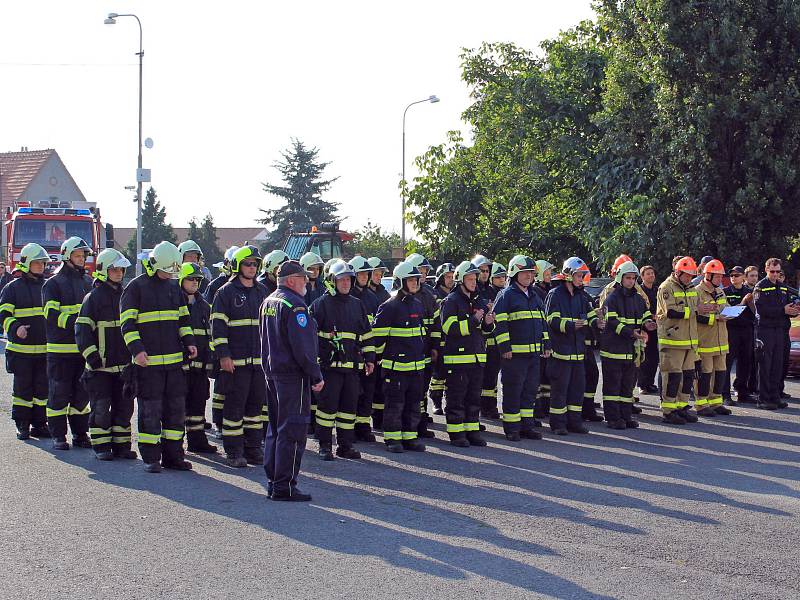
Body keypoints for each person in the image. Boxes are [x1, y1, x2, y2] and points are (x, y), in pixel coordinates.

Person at [121, 241, 197, 473]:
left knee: (175, 411)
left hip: (174, 364)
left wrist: (190, 342)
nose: (170, 275)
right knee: (150, 412)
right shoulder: (135, 288)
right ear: (154, 265)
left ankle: (174, 456)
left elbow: (183, 319)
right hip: (149, 364)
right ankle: (151, 458)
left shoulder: (174, 287)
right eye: (167, 271)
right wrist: (137, 350)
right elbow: (127, 324)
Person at [261, 260, 324, 502]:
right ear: (290, 280)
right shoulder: (295, 305)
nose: (307, 281)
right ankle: (284, 485)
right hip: (292, 376)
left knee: (275, 429)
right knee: (293, 430)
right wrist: (315, 374)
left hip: (272, 373)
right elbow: (303, 347)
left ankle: (274, 480)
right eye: (303, 277)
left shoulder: (269, 301)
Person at [309, 260, 374, 460]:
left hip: (352, 368)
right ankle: (325, 445)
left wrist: (370, 358)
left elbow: (366, 335)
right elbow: (310, 337)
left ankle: (345, 445)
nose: (346, 283)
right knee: (327, 409)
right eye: (341, 279)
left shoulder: (357, 304)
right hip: (329, 368)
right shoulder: (320, 305)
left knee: (348, 409)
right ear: (331, 281)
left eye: (348, 279)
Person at [75, 248, 137, 460]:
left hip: (124, 366)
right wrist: (92, 356)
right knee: (100, 408)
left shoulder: (126, 295)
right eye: (114, 269)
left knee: (124, 408)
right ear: (103, 270)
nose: (119, 273)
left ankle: (121, 446)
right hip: (99, 368)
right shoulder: (92, 298)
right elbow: (82, 331)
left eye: (121, 269)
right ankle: (101, 447)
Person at [211, 246, 269, 467]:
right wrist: (223, 356)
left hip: (258, 364)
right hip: (235, 364)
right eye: (248, 264)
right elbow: (217, 328)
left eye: (255, 264)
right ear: (237, 266)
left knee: (255, 409)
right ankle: (234, 451)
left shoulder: (263, 292)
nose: (252, 268)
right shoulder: (225, 293)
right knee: (234, 408)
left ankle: (253, 448)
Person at [371, 262, 428, 453]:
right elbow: (377, 338)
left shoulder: (418, 304)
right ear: (401, 281)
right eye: (410, 280)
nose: (415, 282)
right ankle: (393, 439)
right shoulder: (389, 306)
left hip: (415, 366)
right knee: (395, 404)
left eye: (416, 279)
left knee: (413, 404)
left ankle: (409, 437)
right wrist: (379, 359)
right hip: (395, 367)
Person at [43, 236, 94, 449]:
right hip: (60, 351)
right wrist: (77, 323)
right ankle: (58, 436)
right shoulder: (53, 283)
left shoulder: (87, 282)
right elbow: (50, 312)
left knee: (81, 395)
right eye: (77, 255)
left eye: (83, 255)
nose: (82, 259)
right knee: (59, 393)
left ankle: (80, 434)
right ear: (66, 256)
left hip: (82, 350)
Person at [440, 261, 495, 447]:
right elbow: (449, 328)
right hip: (458, 361)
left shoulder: (478, 300)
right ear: (460, 280)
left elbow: (485, 332)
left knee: (473, 398)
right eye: (470, 279)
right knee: (457, 399)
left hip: (477, 358)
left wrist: (488, 322)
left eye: (475, 278)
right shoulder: (451, 301)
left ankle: (472, 431)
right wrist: (474, 320)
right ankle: (457, 434)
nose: (474, 282)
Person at [494, 255, 549, 440]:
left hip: (533, 354)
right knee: (513, 391)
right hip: (514, 355)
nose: (529, 276)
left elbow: (543, 323)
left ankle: (527, 426)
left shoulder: (534, 296)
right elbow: (499, 324)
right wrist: (505, 347)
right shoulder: (506, 296)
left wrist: (546, 343)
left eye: (531, 273)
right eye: (525, 272)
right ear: (514, 273)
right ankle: (512, 429)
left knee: (530, 391)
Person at [0, 243, 50, 440]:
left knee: (42, 390)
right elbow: (3, 314)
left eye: (43, 263)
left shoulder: (48, 287)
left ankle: (40, 424)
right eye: (37, 263)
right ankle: (22, 425)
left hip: (45, 350)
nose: (41, 266)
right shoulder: (12, 288)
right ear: (26, 263)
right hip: (21, 351)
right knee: (23, 391)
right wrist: (15, 327)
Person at [600, 261, 655, 429]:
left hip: (629, 350)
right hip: (613, 350)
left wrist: (648, 324)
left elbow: (645, 314)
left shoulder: (637, 298)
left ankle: (625, 416)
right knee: (612, 386)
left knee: (627, 386)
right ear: (620, 278)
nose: (631, 281)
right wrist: (631, 333)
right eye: (628, 278)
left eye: (633, 278)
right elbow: (612, 322)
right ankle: (612, 418)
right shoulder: (612, 298)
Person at [656, 256, 710, 425]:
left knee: (687, 376)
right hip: (673, 340)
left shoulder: (692, 287)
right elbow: (671, 312)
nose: (689, 278)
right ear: (678, 272)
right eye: (686, 275)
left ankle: (682, 407)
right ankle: (668, 411)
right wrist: (696, 310)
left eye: (691, 275)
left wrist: (707, 309)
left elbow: (697, 310)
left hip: (689, 341)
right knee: (672, 376)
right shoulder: (666, 287)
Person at [544, 257, 594, 435]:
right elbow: (551, 320)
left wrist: (598, 322)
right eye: (579, 275)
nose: (582, 279)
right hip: (561, 353)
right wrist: (572, 325)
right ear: (569, 275)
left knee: (577, 389)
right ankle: (558, 424)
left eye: (582, 275)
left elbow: (590, 315)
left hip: (578, 353)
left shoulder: (581, 296)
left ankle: (574, 422)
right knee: (560, 390)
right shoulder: (555, 294)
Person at [179, 262, 217, 454]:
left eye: (197, 279)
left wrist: (210, 359)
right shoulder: (175, 303)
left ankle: (197, 441)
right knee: (177, 407)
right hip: (180, 367)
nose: (194, 283)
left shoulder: (204, 306)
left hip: (200, 366)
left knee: (198, 403)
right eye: (191, 279)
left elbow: (211, 335)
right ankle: (175, 444)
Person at [754, 258, 798, 410]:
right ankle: (763, 399)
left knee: (778, 365)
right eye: (772, 271)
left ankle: (775, 396)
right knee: (765, 365)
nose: (775, 274)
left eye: (777, 271)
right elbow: (761, 310)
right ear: (766, 270)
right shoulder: (761, 287)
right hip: (766, 330)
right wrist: (783, 311)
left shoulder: (783, 287)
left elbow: (786, 308)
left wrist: (792, 311)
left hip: (781, 330)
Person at [347, 256, 381, 442]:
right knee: (352, 393)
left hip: (368, 351)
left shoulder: (372, 298)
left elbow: (374, 328)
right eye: (360, 273)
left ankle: (363, 426)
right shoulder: (348, 297)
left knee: (368, 391)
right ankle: (349, 428)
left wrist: (372, 353)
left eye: (366, 274)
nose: (363, 276)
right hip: (352, 352)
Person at [404, 253, 437, 438]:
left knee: (422, 388)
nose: (423, 274)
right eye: (421, 271)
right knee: (412, 390)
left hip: (424, 348)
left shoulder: (429, 294)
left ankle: (421, 421)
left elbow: (435, 324)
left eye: (425, 271)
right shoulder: (402, 296)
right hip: (408, 351)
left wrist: (434, 346)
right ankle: (413, 424)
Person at [694, 259, 733, 416]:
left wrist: (730, 314)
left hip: (721, 341)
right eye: (717, 277)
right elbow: (694, 315)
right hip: (705, 341)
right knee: (705, 373)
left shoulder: (720, 291)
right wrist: (716, 318)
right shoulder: (696, 292)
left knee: (720, 372)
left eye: (720, 277)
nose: (720, 280)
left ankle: (716, 402)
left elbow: (727, 308)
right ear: (708, 275)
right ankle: (701, 404)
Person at [723, 266, 756, 404]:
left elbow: (756, 313)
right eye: (732, 275)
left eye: (737, 275)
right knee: (727, 363)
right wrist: (743, 302)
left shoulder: (750, 292)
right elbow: (728, 312)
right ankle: (725, 395)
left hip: (747, 330)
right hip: (731, 330)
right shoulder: (725, 292)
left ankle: (742, 392)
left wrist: (752, 302)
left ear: (743, 277)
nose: (734, 277)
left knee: (745, 362)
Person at [479, 262, 507, 419]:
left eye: (503, 276)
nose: (501, 279)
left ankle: (492, 406)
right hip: (488, 341)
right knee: (488, 378)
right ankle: (486, 407)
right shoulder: (487, 292)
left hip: (499, 340)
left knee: (495, 378)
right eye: (498, 277)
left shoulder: (503, 292)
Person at [366, 257, 391, 428]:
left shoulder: (384, 294)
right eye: (376, 274)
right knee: (367, 388)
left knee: (381, 387)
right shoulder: (362, 295)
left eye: (381, 274)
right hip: (367, 346)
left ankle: (379, 419)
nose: (379, 277)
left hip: (383, 347)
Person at [429, 262, 455, 416]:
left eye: (453, 276)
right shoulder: (435, 295)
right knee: (439, 374)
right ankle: (436, 402)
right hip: (440, 340)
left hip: (453, 340)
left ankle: (448, 402)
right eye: (447, 276)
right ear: (440, 278)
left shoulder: (456, 295)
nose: (451, 279)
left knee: (452, 375)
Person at [533, 260, 555, 420]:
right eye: (546, 274)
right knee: (538, 378)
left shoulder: (549, 290)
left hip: (548, 339)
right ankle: (538, 408)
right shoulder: (535, 292)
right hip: (538, 340)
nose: (550, 277)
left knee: (547, 376)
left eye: (550, 274)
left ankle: (546, 405)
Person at [637, 265, 660, 395]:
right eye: (648, 273)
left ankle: (650, 383)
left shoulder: (657, 290)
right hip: (644, 327)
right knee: (644, 357)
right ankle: (642, 384)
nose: (651, 275)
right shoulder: (640, 291)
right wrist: (650, 317)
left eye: (652, 273)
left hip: (656, 327)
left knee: (654, 357)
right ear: (642, 276)